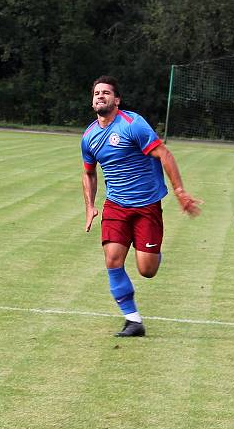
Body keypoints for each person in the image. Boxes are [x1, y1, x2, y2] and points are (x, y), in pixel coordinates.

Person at [81, 75, 201, 337]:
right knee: (112, 259)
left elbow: (164, 154)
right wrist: (90, 205)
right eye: (96, 93)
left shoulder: (133, 124)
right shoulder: (89, 137)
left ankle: (152, 249)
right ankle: (133, 320)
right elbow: (89, 173)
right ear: (92, 102)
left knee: (147, 270)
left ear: (117, 99)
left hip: (147, 204)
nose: (100, 96)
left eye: (106, 93)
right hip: (115, 207)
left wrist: (180, 191)